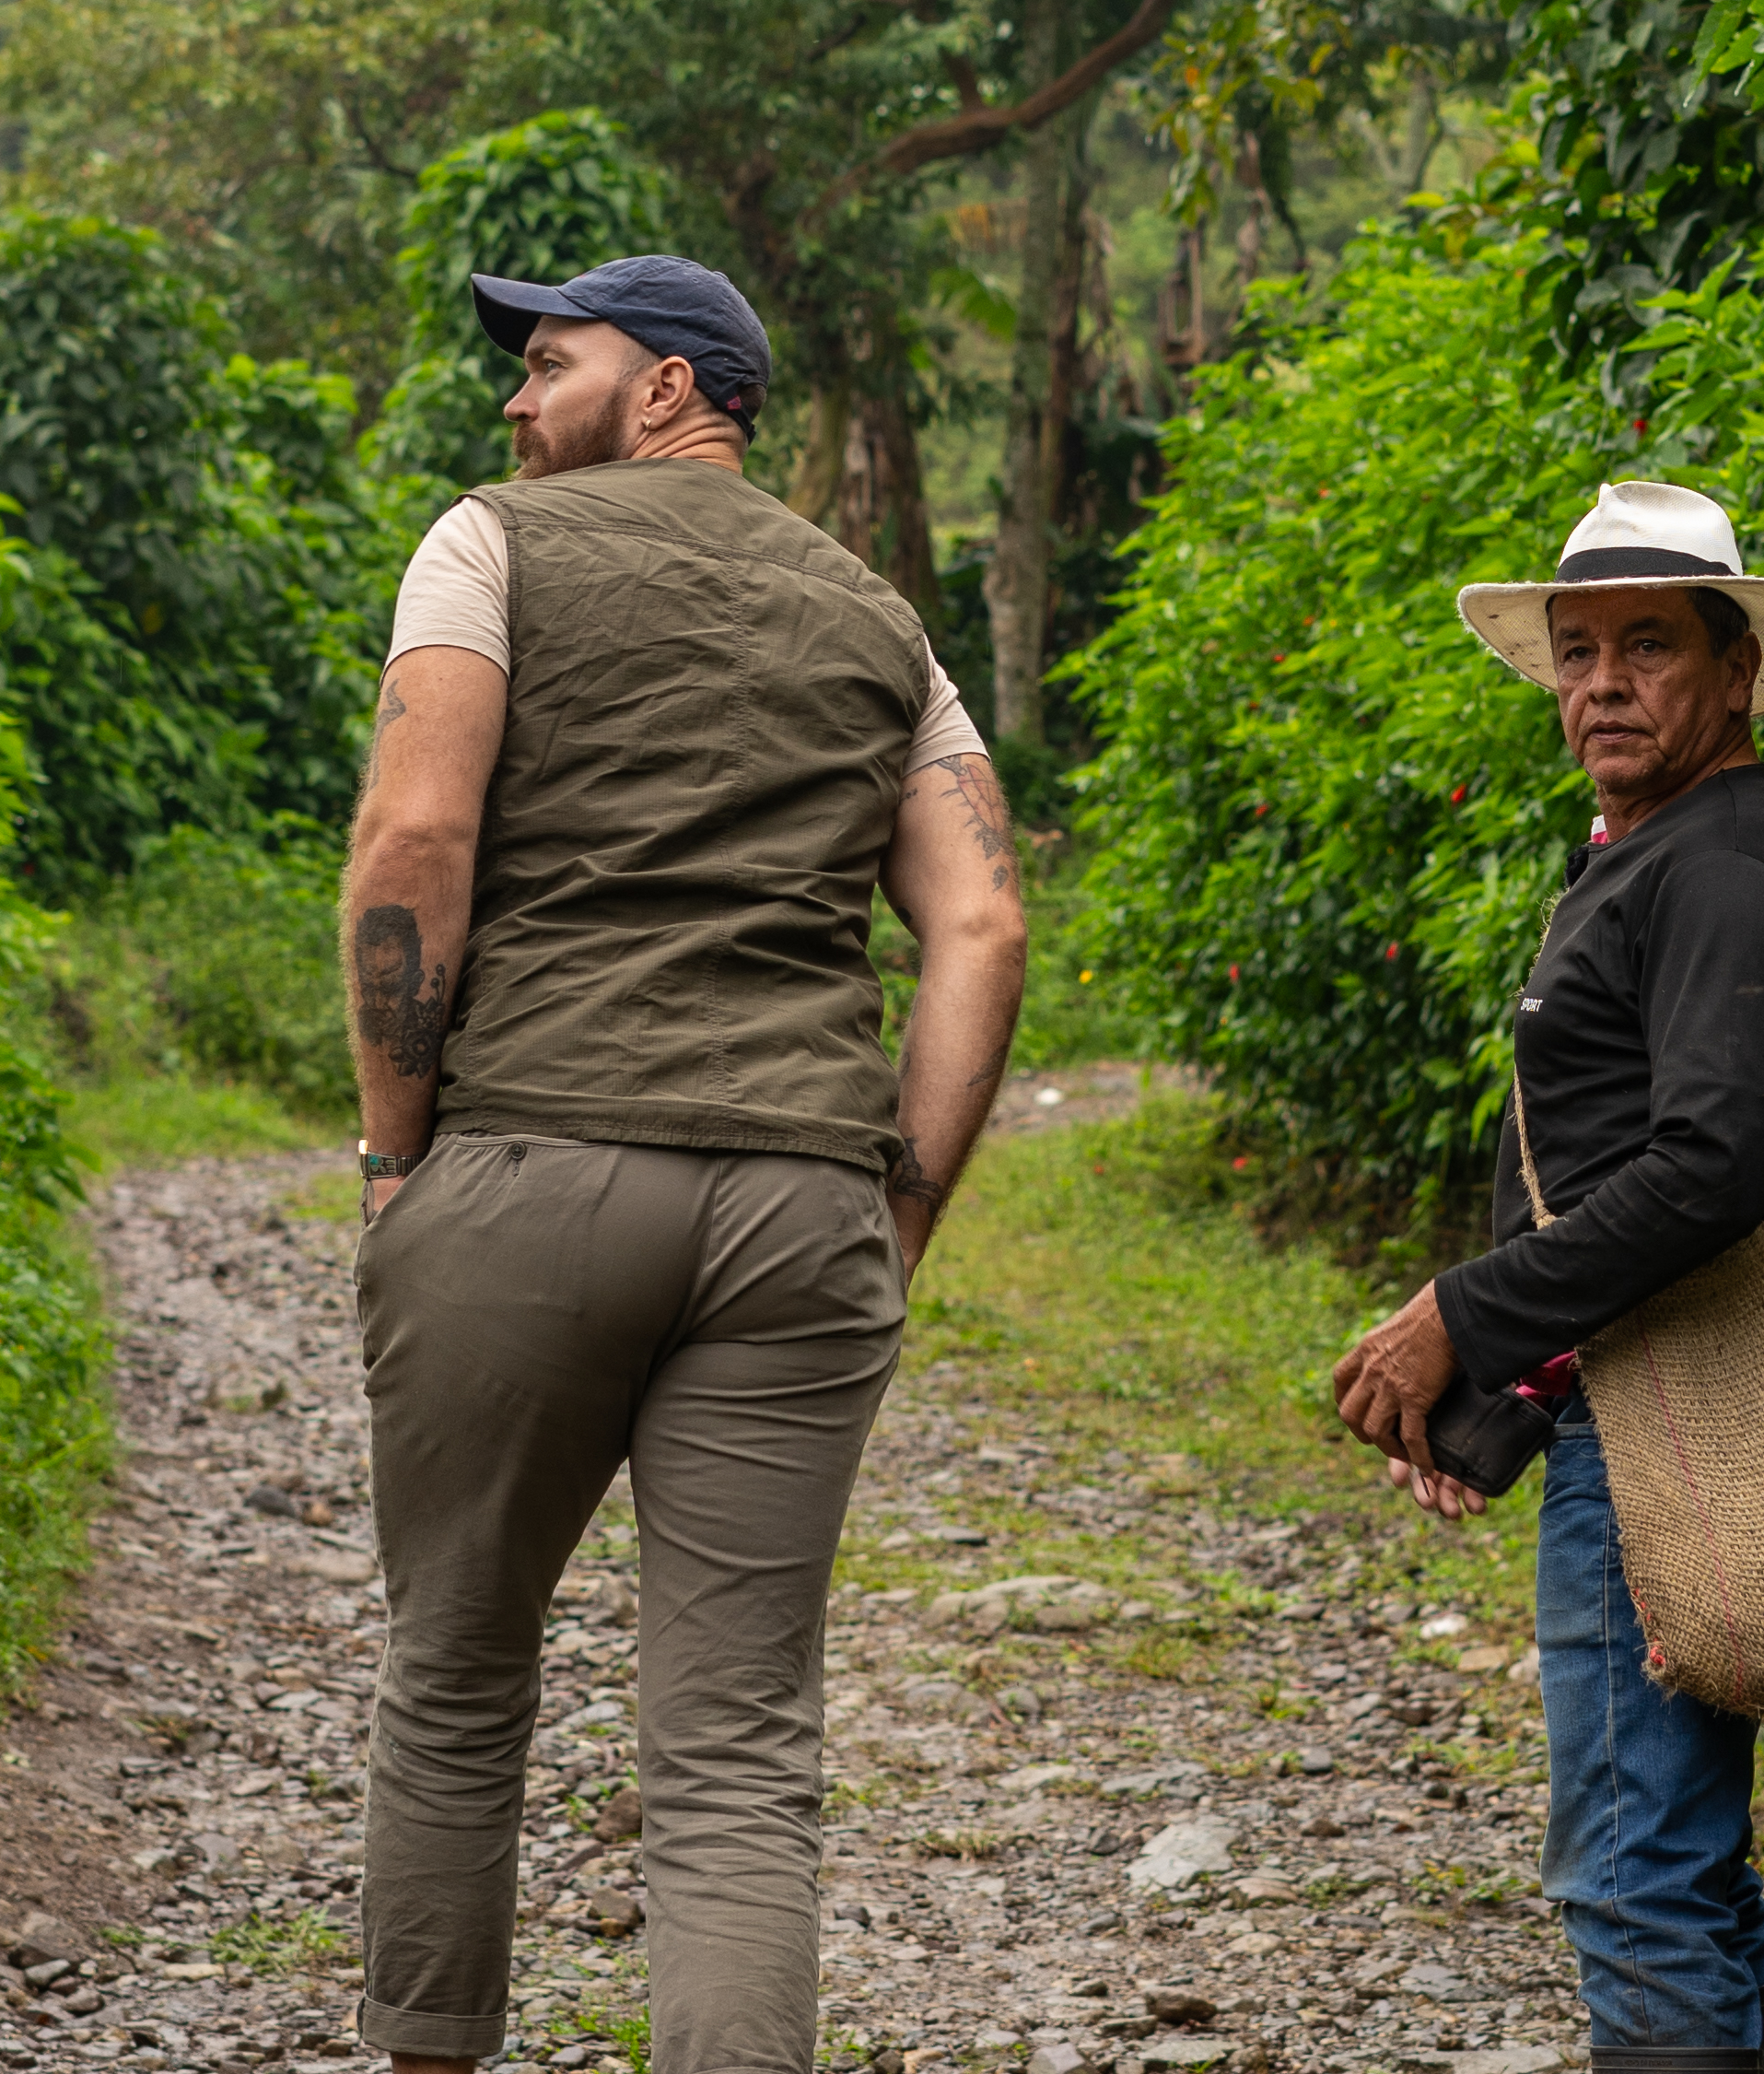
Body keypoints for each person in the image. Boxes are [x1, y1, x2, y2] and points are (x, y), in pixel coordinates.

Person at [340, 253, 1029, 2074]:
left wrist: (396, 1150)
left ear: (666, 386)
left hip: (527, 1167)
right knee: (734, 1753)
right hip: (801, 1206)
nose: (514, 399)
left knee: (460, 1666)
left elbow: (417, 828)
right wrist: (894, 1210)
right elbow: (981, 928)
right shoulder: (881, 618)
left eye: (548, 362)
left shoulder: (489, 546)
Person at [1326, 481, 1764, 2074]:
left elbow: (1707, 1169)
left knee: (1636, 1881)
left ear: (1738, 670)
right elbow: (1617, 1158)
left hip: (1662, 1453)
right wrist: (1496, 1404)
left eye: (1646, 645)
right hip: (1635, 1422)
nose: (1603, 684)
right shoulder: (1675, 849)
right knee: (1687, 1866)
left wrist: (1458, 1317)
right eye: (1576, 653)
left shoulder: (1725, 868)